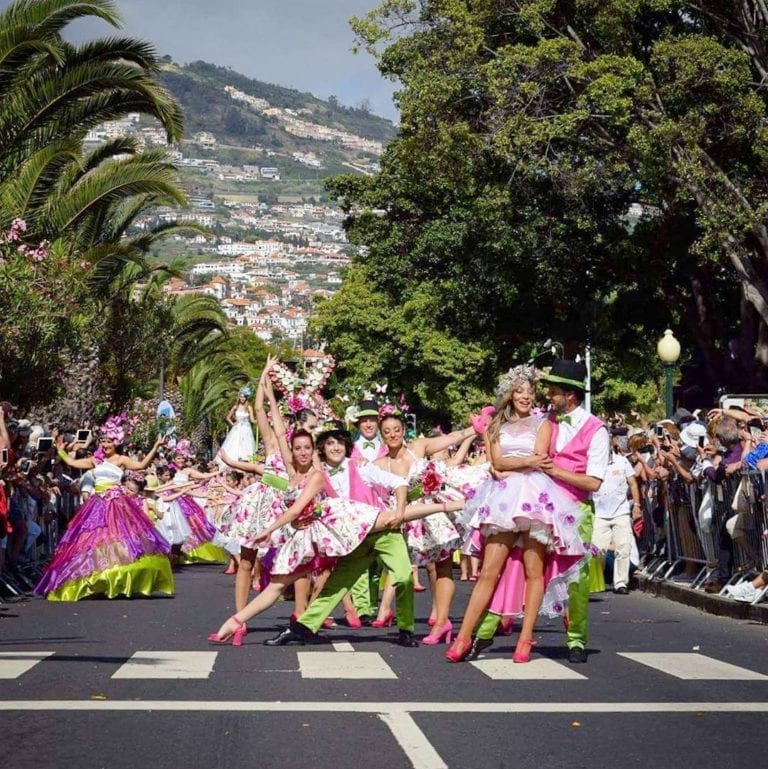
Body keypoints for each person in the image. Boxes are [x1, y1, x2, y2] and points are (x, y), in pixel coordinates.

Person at [446, 365, 588, 663]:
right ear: (509, 394)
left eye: (530, 391)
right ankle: (463, 637)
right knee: (488, 572)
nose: (526, 396)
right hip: (502, 502)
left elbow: (537, 459)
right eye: (520, 391)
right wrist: (516, 462)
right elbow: (496, 461)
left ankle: (525, 641)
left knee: (533, 571)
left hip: (536, 499)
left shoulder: (543, 424)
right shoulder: (496, 424)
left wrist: (510, 463)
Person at [208, 428, 388, 645]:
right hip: (302, 538)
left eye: (307, 448)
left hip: (326, 530)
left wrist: (268, 530)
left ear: (314, 451)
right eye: (297, 448)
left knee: (388, 520)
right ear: (292, 452)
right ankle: (237, 622)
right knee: (279, 583)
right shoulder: (291, 474)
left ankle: (315, 617)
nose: (302, 452)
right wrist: (267, 395)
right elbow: (277, 431)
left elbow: (295, 510)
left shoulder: (317, 475)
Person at [265, 420, 421, 647]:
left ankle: (406, 629)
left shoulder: (360, 466)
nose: (335, 447)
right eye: (330, 443)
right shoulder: (318, 476)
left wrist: (398, 511)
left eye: (339, 443)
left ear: (346, 446)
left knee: (404, 576)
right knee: (336, 584)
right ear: (323, 449)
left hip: (382, 532)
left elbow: (398, 483)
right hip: (353, 542)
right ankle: (302, 628)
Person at [375, 408, 482, 644]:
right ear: (382, 436)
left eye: (396, 430)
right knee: (405, 571)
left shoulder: (418, 447)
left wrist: (473, 429)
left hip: (435, 512)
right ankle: (404, 621)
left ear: (404, 431)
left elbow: (451, 438)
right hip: (408, 519)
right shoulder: (380, 464)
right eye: (387, 432)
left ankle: (442, 621)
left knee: (441, 565)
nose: (392, 435)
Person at [35, 429, 173, 601]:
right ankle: (97, 579)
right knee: (92, 539)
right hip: (97, 504)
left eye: (110, 441)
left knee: (118, 539)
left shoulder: (121, 460)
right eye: (103, 441)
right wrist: (60, 449)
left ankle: (118, 579)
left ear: (116, 443)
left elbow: (142, 465)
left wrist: (155, 446)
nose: (106, 445)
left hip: (117, 504)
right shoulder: (95, 459)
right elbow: (72, 462)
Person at [541, 360, 609, 663]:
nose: (549, 397)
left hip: (576, 510)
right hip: (542, 506)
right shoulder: (547, 421)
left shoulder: (597, 431)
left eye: (554, 392)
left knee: (575, 578)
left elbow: (593, 482)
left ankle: (577, 639)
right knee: (528, 568)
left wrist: (555, 470)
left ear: (570, 395)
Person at [592, 437, 642, 594]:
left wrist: (637, 505)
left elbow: (633, 483)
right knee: (597, 549)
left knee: (623, 547)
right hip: (599, 513)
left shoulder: (622, 461)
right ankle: (597, 580)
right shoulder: (592, 462)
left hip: (621, 511)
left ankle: (620, 583)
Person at [215, 387, 257, 468]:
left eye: (244, 397)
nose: (242, 398)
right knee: (234, 444)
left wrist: (260, 420)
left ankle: (244, 463)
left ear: (246, 397)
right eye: (241, 396)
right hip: (237, 429)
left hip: (246, 430)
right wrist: (233, 424)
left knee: (246, 445)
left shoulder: (249, 407)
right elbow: (228, 417)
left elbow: (252, 420)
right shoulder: (235, 407)